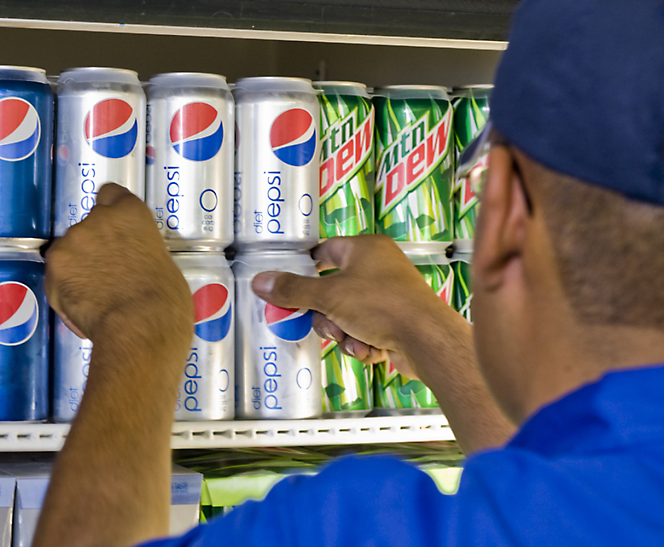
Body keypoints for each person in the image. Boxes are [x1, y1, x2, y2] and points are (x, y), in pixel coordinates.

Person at [33, 0, 664, 545]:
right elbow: (558, 490)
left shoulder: (356, 527)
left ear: (502, 220)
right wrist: (424, 327)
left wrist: (139, 325)